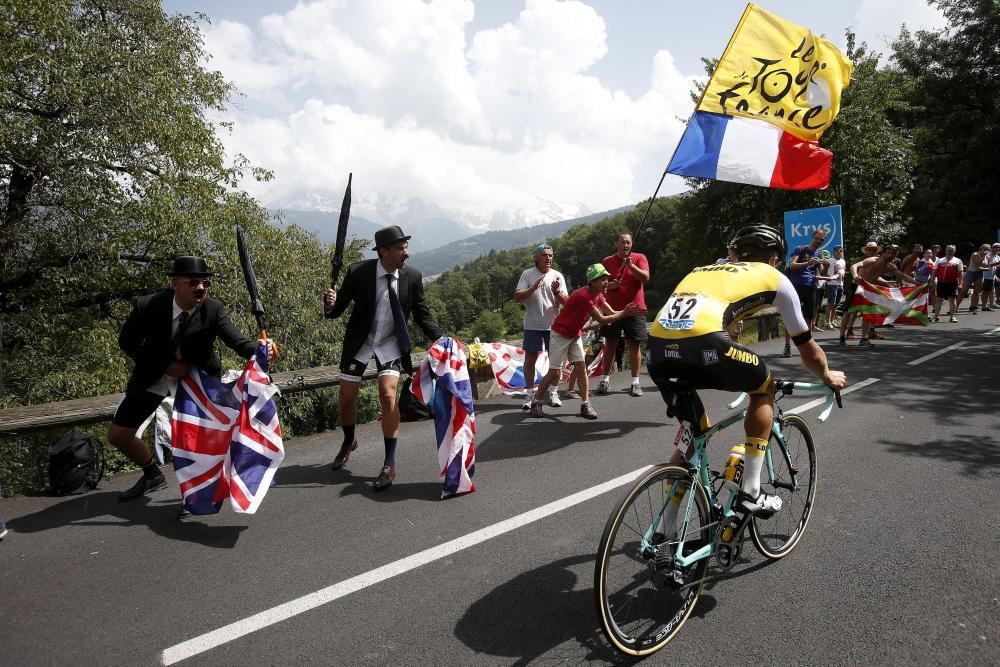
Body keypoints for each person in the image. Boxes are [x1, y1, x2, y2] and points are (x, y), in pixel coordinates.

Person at [646, 225, 846, 515]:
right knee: (763, 387)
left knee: (694, 431)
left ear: (733, 254)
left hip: (657, 349)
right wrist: (827, 375)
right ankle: (752, 490)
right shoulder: (775, 278)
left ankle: (665, 527)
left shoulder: (701, 271)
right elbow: (807, 347)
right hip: (705, 343)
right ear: (774, 260)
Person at [110, 256, 276, 502]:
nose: (200, 288)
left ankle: (198, 495)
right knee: (119, 436)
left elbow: (237, 342)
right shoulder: (148, 306)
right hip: (155, 374)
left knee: (196, 444)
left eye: (205, 283)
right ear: (175, 283)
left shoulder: (213, 309)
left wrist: (261, 349)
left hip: (197, 381)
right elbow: (127, 342)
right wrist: (165, 366)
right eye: (193, 282)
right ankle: (152, 474)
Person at [323, 225, 444, 491]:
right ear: (383, 251)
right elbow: (334, 312)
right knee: (346, 396)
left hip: (390, 343)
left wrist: (441, 339)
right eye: (401, 248)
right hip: (362, 342)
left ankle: (389, 465)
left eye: (406, 247)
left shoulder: (412, 277)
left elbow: (423, 315)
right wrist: (329, 303)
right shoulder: (358, 273)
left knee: (388, 395)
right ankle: (349, 440)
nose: (406, 253)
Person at [529, 264, 644, 419]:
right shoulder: (584, 296)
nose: (606, 282)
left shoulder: (599, 295)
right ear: (593, 282)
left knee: (581, 368)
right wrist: (624, 313)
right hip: (560, 334)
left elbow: (611, 313)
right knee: (554, 372)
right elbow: (603, 319)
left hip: (575, 333)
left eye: (606, 279)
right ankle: (536, 403)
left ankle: (585, 405)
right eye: (603, 279)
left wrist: (627, 312)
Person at [514, 243, 568, 409]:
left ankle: (553, 393)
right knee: (530, 361)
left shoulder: (557, 275)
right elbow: (517, 297)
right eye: (545, 255)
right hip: (532, 326)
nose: (548, 258)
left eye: (551, 255)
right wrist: (533, 288)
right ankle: (530, 395)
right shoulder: (527, 274)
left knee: (556, 363)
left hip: (554, 327)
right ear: (536, 257)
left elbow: (567, 302)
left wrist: (556, 292)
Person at [596, 233, 650, 397]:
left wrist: (631, 267)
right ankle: (605, 380)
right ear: (616, 244)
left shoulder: (639, 258)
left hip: (635, 308)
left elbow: (646, 278)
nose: (625, 245)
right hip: (613, 309)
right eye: (622, 242)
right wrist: (610, 285)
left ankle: (635, 383)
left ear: (631, 244)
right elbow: (600, 285)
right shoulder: (607, 261)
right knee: (610, 344)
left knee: (634, 345)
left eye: (628, 243)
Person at [840, 245, 917, 347]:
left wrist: (918, 283)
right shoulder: (872, 260)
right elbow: (853, 266)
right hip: (857, 285)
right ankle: (842, 337)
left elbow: (902, 276)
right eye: (888, 253)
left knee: (868, 313)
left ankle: (864, 339)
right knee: (848, 311)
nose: (889, 255)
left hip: (868, 288)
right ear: (883, 253)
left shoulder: (890, 266)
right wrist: (855, 276)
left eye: (892, 254)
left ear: (895, 256)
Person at [783, 228, 827, 356]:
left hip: (810, 286)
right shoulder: (800, 249)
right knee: (791, 315)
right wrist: (808, 262)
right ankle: (787, 345)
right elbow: (792, 266)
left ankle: (809, 347)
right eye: (817, 238)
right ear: (813, 237)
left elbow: (822, 273)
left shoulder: (819, 254)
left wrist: (827, 265)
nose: (818, 241)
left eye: (822, 240)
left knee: (809, 316)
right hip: (795, 286)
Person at [932, 245, 964, 323]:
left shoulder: (958, 261)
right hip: (941, 283)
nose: (950, 252)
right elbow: (934, 272)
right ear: (945, 251)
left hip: (952, 283)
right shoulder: (939, 260)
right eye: (948, 250)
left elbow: (960, 273)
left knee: (952, 300)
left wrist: (961, 283)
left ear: (954, 252)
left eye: (951, 251)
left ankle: (952, 317)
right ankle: (936, 316)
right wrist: (932, 281)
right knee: (938, 299)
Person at [956, 244, 990, 314]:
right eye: (985, 249)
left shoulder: (988, 257)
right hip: (971, 273)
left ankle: (973, 307)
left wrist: (982, 268)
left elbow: (988, 268)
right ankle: (954, 307)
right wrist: (983, 257)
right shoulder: (975, 254)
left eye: (988, 249)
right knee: (963, 291)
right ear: (981, 248)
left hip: (979, 274)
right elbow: (977, 264)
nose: (986, 250)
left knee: (976, 292)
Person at [822, 246, 846, 329]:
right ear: (834, 251)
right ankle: (827, 323)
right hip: (831, 284)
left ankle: (832, 321)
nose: (839, 252)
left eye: (840, 250)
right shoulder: (829, 260)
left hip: (840, 284)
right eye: (837, 250)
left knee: (836, 304)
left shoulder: (843, 261)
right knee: (830, 303)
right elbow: (824, 271)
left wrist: (842, 282)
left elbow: (843, 272)